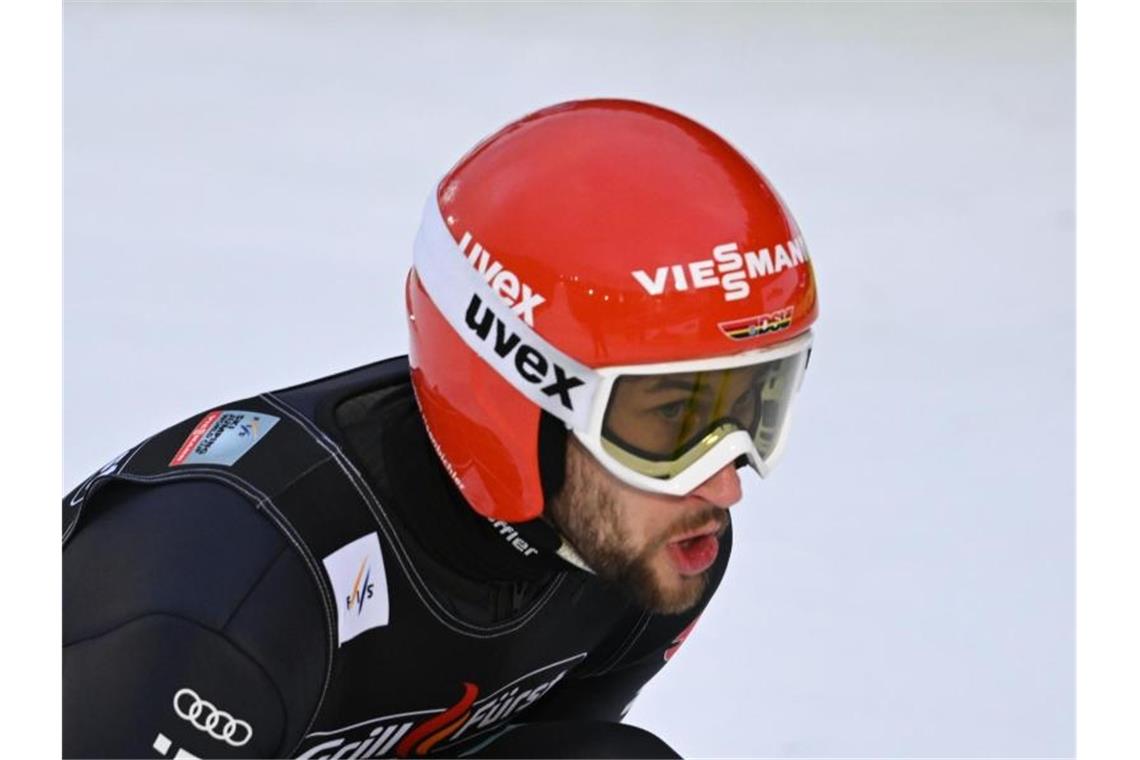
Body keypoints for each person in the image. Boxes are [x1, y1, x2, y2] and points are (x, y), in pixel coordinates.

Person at [62, 99, 819, 759]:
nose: (726, 477)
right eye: (672, 423)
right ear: (525, 398)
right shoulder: (220, 595)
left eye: (754, 406)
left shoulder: (649, 546)